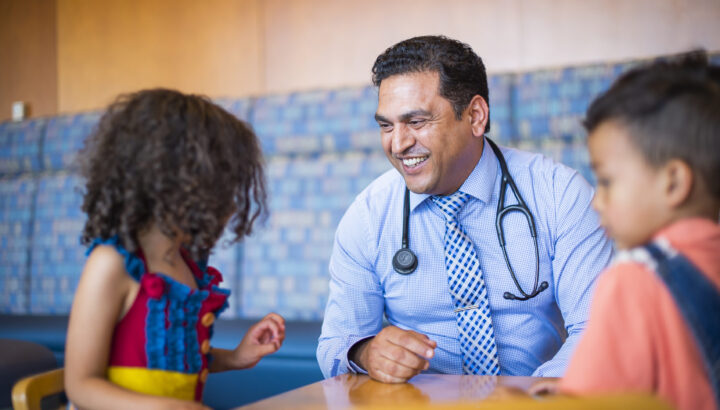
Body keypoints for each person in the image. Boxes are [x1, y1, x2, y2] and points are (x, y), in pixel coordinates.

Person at [317, 35, 613, 383]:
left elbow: (599, 330)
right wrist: (365, 353)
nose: (397, 144)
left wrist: (530, 400)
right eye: (386, 125)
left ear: (475, 115)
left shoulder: (559, 194)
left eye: (416, 122)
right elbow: (335, 345)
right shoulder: (367, 217)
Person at [64, 89, 285, 409]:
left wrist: (236, 357)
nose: (232, 202)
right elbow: (81, 385)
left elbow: (176, 359)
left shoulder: (186, 266)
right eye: (222, 184)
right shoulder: (111, 264)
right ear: (173, 182)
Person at [556, 51, 720, 410]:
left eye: (607, 181)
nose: (597, 201)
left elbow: (587, 403)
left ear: (673, 182)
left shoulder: (634, 279)